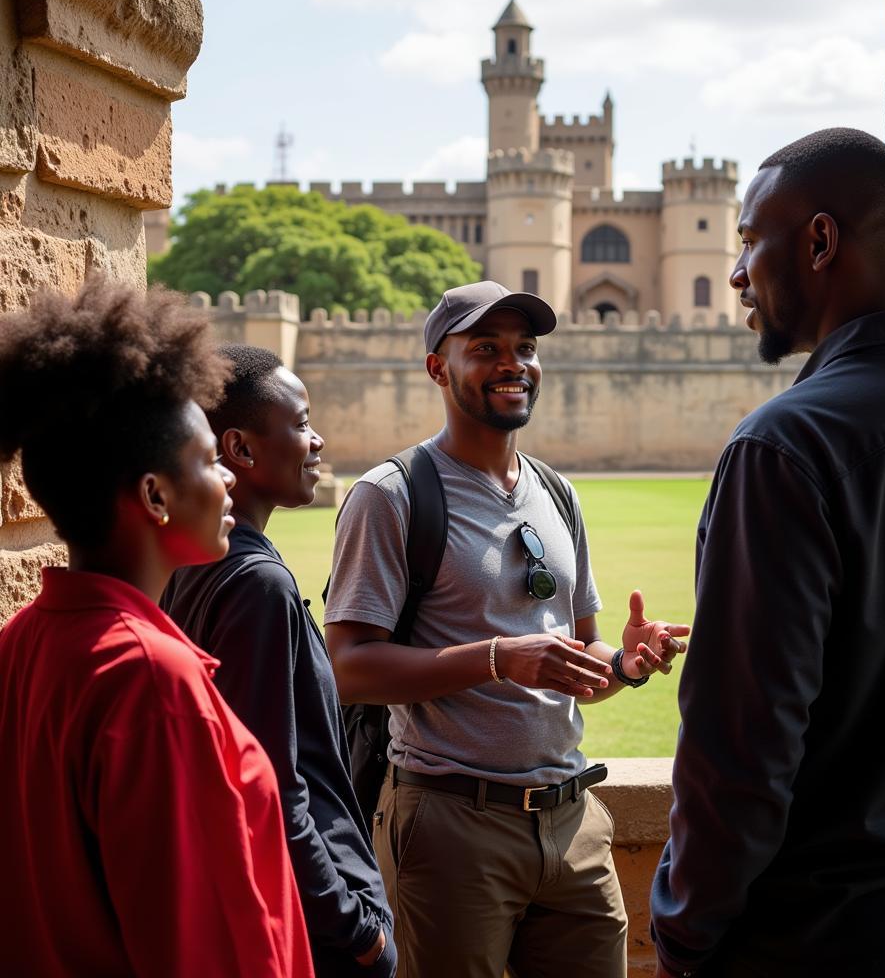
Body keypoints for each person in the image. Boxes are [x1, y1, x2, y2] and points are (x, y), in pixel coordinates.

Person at [649, 128, 885, 978]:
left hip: (818, 941)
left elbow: (741, 750)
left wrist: (682, 935)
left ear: (819, 241)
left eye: (749, 241)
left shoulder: (785, 447)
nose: (737, 275)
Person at [325, 279, 689, 978]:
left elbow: (578, 662)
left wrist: (626, 664)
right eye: (485, 348)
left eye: (524, 347)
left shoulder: (557, 492)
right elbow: (348, 666)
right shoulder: (392, 495)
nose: (512, 363)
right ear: (439, 367)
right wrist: (495, 657)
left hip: (572, 820)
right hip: (452, 821)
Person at [0, 279, 314, 977]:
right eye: (208, 461)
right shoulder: (152, 680)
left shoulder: (21, 643)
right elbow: (212, 946)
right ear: (154, 495)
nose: (229, 480)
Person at [162, 344, 396, 978]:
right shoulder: (257, 585)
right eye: (300, 422)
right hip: (310, 925)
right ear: (239, 449)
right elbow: (269, 788)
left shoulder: (189, 566)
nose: (317, 441)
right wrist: (355, 928)